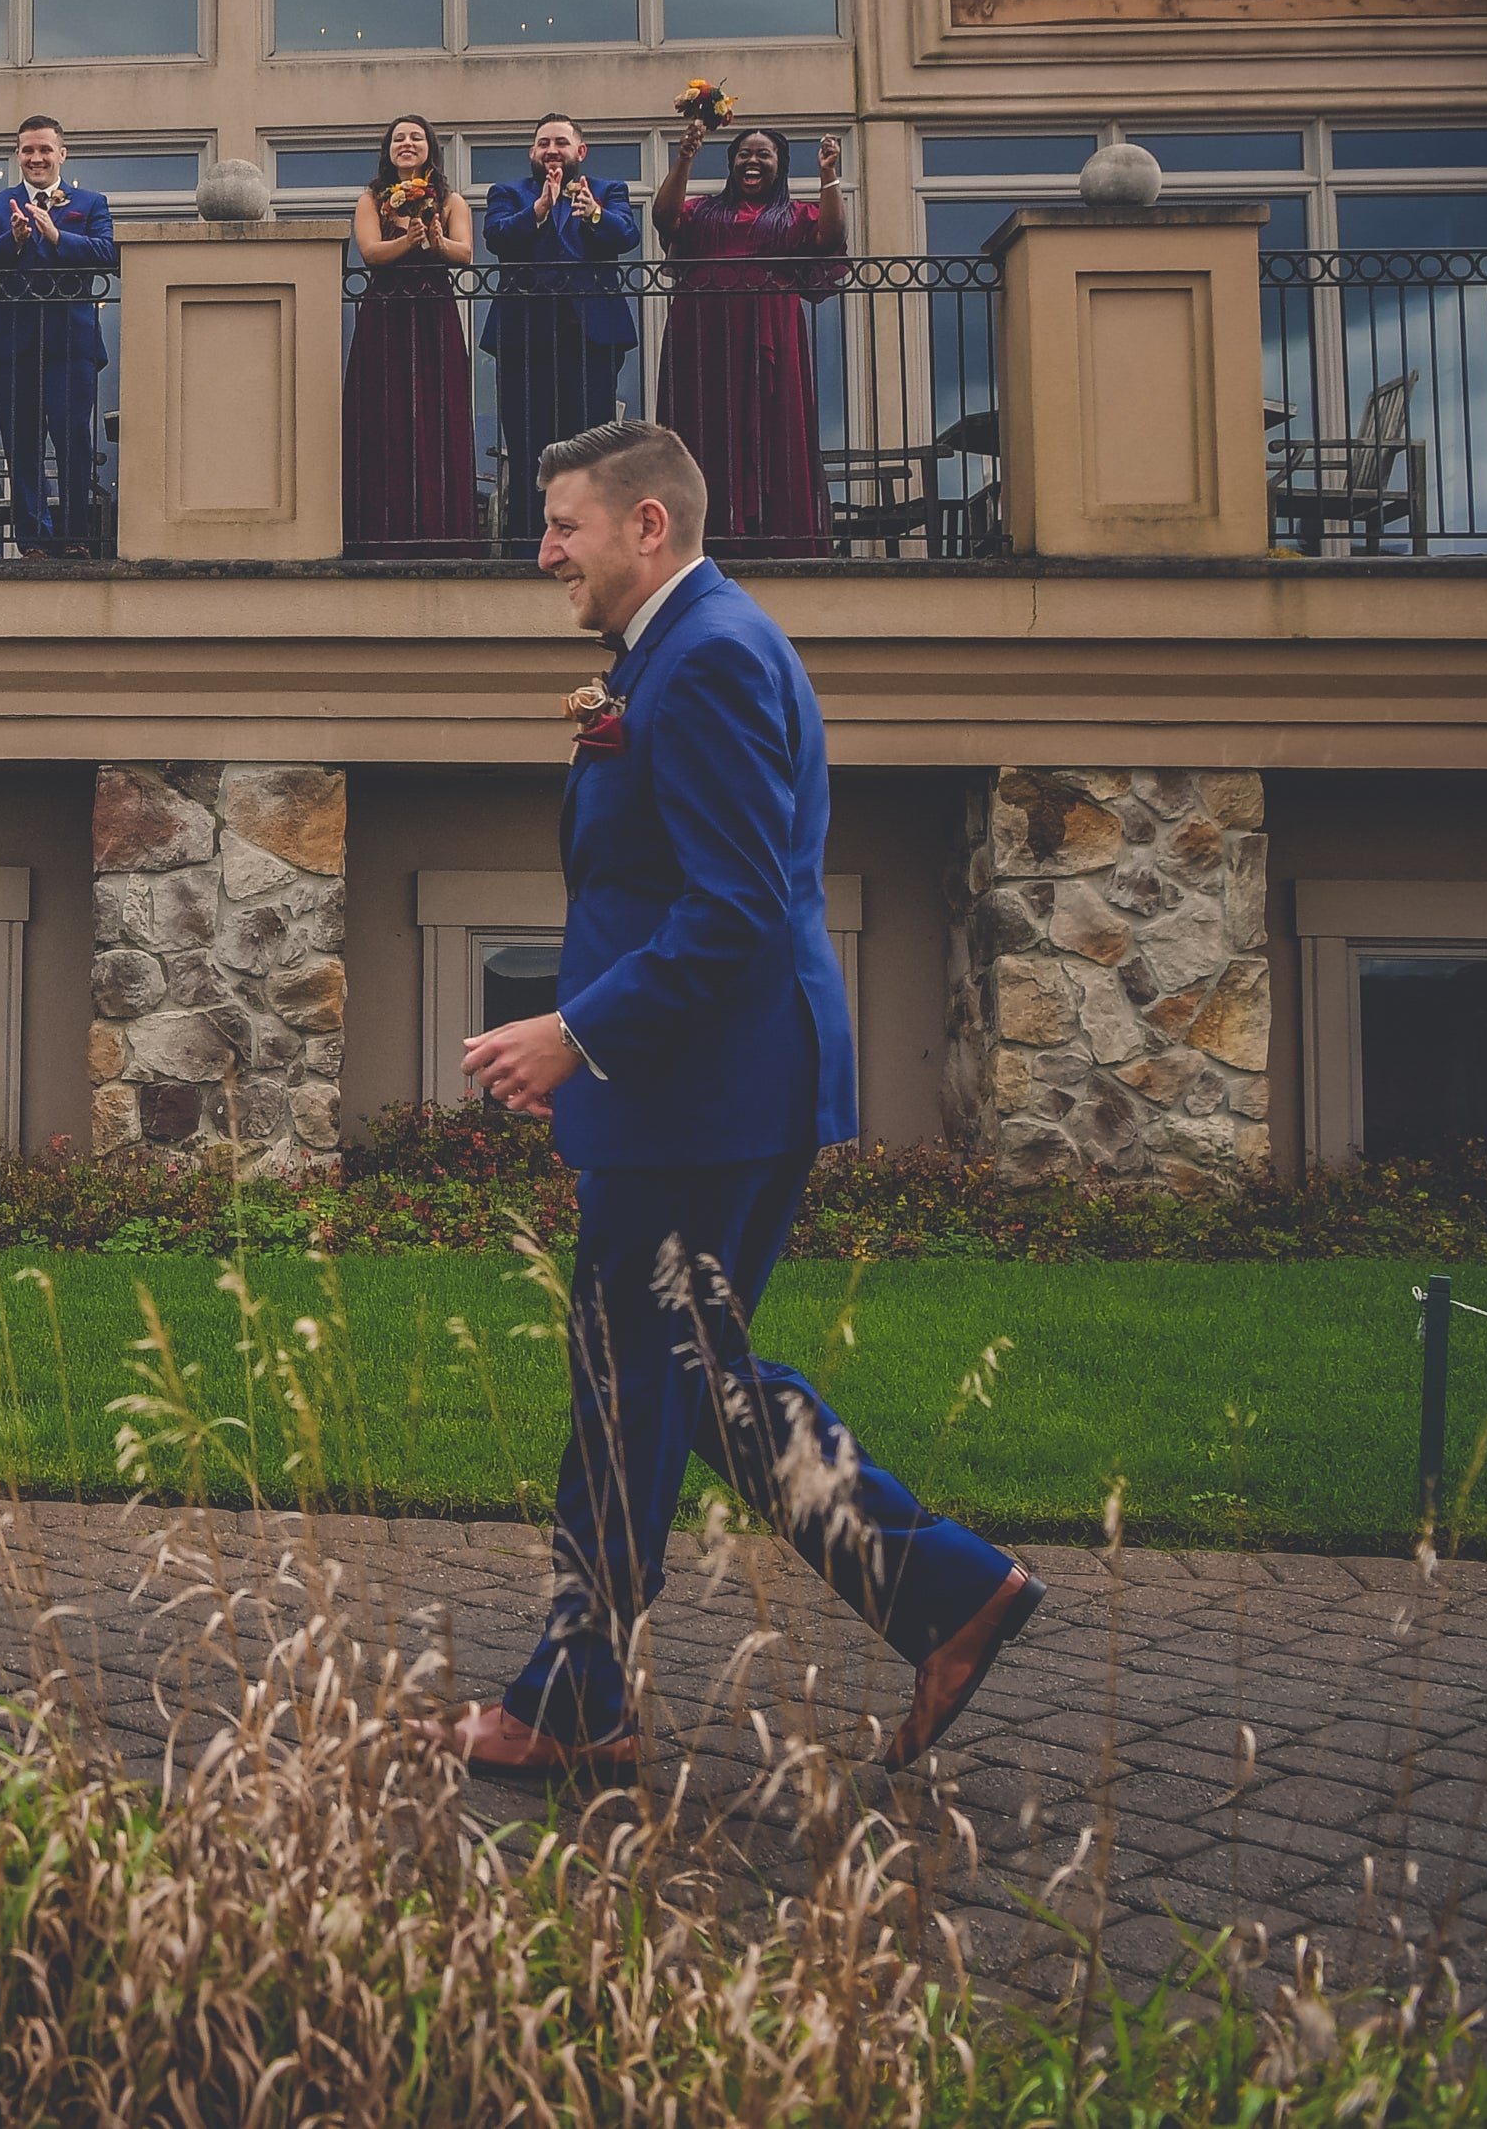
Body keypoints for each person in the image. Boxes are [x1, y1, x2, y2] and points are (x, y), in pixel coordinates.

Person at [446, 423, 1038, 1780]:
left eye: (562, 525)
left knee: (634, 1387)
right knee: (678, 1387)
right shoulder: (681, 648)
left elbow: (730, 918)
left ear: (645, 526)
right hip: (700, 1088)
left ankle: (588, 1696)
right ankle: (931, 1599)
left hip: (702, 1095)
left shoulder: (705, 658)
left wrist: (576, 1037)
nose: (543, 552)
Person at [653, 122, 849, 560]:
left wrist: (828, 176)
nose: (753, 161)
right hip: (703, 335)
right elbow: (665, 218)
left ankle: (773, 533)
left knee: (773, 423)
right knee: (704, 425)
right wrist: (683, 158)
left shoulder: (794, 215)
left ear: (779, 167)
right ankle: (703, 535)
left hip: (770, 330)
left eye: (764, 154)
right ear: (731, 164)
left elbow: (831, 238)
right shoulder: (704, 210)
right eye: (744, 154)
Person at [480, 112, 640, 553]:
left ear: (579, 152)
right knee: (529, 442)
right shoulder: (508, 193)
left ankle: (589, 540)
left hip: (589, 337)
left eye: (561, 143)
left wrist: (594, 215)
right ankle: (530, 542)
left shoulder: (608, 191)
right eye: (544, 143)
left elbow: (627, 235)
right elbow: (495, 236)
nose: (552, 151)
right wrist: (540, 209)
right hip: (524, 338)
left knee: (589, 443)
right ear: (532, 153)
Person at [0, 115, 114, 556]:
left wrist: (57, 235)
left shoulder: (90, 203)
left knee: (73, 441)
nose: (36, 158)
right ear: (18, 155)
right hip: (12, 344)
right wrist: (11, 241)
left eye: (45, 149)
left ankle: (73, 538)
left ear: (61, 154)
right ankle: (32, 539)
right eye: (28, 150)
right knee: (22, 444)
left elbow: (108, 254)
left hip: (72, 343)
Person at [343, 113, 485, 558]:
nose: (407, 143)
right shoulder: (372, 199)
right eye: (399, 138)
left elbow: (464, 253)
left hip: (431, 311)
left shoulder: (450, 200)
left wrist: (437, 242)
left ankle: (441, 530)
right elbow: (370, 251)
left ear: (430, 149)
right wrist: (408, 240)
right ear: (388, 150)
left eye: (416, 138)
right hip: (386, 312)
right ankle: (378, 530)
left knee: (434, 409)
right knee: (384, 412)